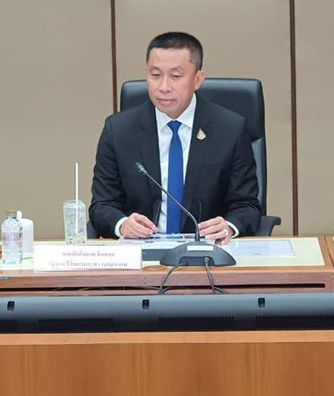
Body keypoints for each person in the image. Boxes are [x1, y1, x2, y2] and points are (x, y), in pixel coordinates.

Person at [89, 32, 261, 241]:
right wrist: (122, 224)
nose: (163, 87)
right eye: (155, 75)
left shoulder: (230, 129)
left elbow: (248, 206)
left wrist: (229, 226)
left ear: (198, 79)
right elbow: (102, 206)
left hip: (207, 250)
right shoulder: (118, 131)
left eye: (176, 76)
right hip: (140, 251)